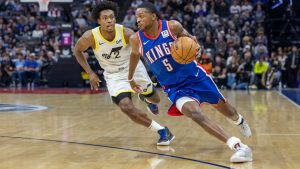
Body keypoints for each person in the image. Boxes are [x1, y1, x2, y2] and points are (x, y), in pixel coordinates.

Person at [128, 2, 252, 162]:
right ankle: (238, 146)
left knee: (227, 110)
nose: (138, 20)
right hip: (174, 87)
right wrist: (130, 78)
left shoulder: (172, 27)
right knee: (194, 113)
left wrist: (196, 48)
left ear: (153, 16)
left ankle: (239, 120)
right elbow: (134, 56)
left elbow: (191, 40)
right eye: (137, 17)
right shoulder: (136, 39)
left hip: (195, 77)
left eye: (141, 16)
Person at [73, 1, 174, 146]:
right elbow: (77, 50)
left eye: (112, 17)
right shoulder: (90, 37)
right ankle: (162, 131)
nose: (110, 20)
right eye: (106, 18)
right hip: (114, 75)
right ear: (99, 21)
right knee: (126, 106)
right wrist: (90, 73)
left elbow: (141, 53)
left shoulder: (126, 33)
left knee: (156, 100)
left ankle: (146, 98)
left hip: (133, 69)